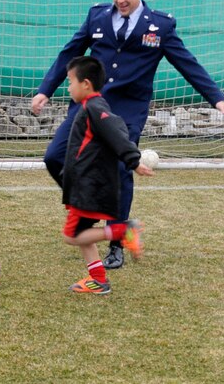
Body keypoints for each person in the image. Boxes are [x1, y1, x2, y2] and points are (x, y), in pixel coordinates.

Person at [32, 0, 224, 270]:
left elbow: (187, 64)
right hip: (87, 108)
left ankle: (117, 242)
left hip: (126, 112)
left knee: (119, 170)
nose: (120, 0)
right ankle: (89, 205)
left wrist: (216, 98)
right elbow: (69, 53)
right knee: (54, 157)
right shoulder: (97, 16)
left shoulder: (160, 27)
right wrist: (46, 89)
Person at [61, 56, 154, 294]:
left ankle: (123, 230)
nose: (68, 87)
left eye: (70, 81)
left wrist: (133, 161)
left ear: (86, 84)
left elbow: (117, 131)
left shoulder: (95, 108)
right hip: (84, 184)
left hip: (89, 186)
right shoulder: (91, 107)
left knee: (73, 236)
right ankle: (99, 281)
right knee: (85, 237)